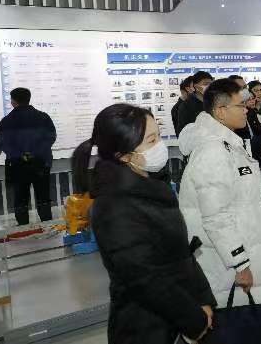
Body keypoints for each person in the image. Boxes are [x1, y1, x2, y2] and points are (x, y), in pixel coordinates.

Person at [72, 103, 216, 344]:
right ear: (124, 156)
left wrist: (203, 301)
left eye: (158, 135)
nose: (160, 146)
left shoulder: (152, 187)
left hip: (178, 318)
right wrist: (194, 319)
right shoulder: (113, 206)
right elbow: (143, 278)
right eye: (151, 141)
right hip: (146, 329)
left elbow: (181, 255)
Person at [177, 79, 261, 307]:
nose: (246, 110)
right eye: (240, 106)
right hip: (230, 267)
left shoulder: (226, 143)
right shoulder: (212, 151)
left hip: (241, 253)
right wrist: (241, 263)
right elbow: (216, 216)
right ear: (220, 111)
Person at [0, 88, 57, 225]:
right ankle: (48, 225)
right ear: (29, 99)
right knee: (43, 197)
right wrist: (34, 154)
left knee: (21, 198)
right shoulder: (43, 117)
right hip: (41, 163)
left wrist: (21, 155)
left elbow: (3, 143)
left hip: (17, 164)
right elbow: (50, 137)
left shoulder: (6, 121)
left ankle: (23, 227)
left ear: (13, 101)